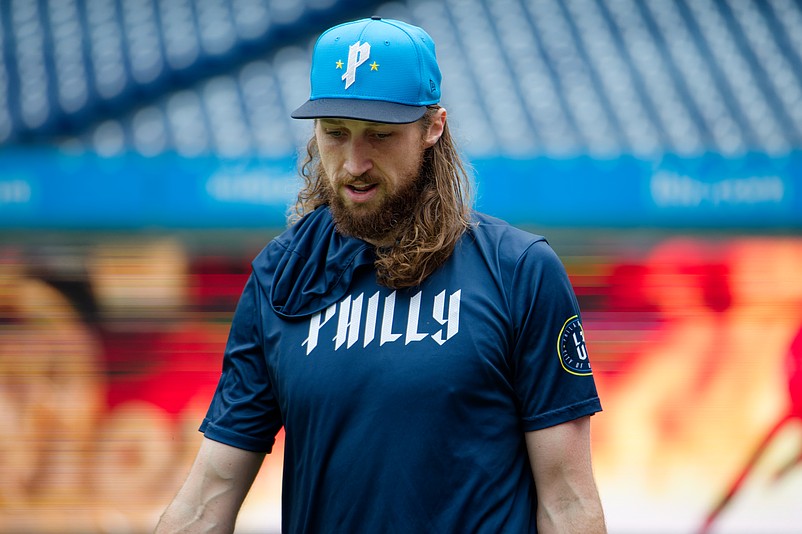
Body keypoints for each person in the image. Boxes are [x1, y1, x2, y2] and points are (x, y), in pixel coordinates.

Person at [156, 16, 605, 533]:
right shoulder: (279, 277)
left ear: (433, 127)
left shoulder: (519, 271)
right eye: (335, 133)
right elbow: (208, 498)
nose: (353, 162)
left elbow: (567, 504)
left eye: (380, 136)